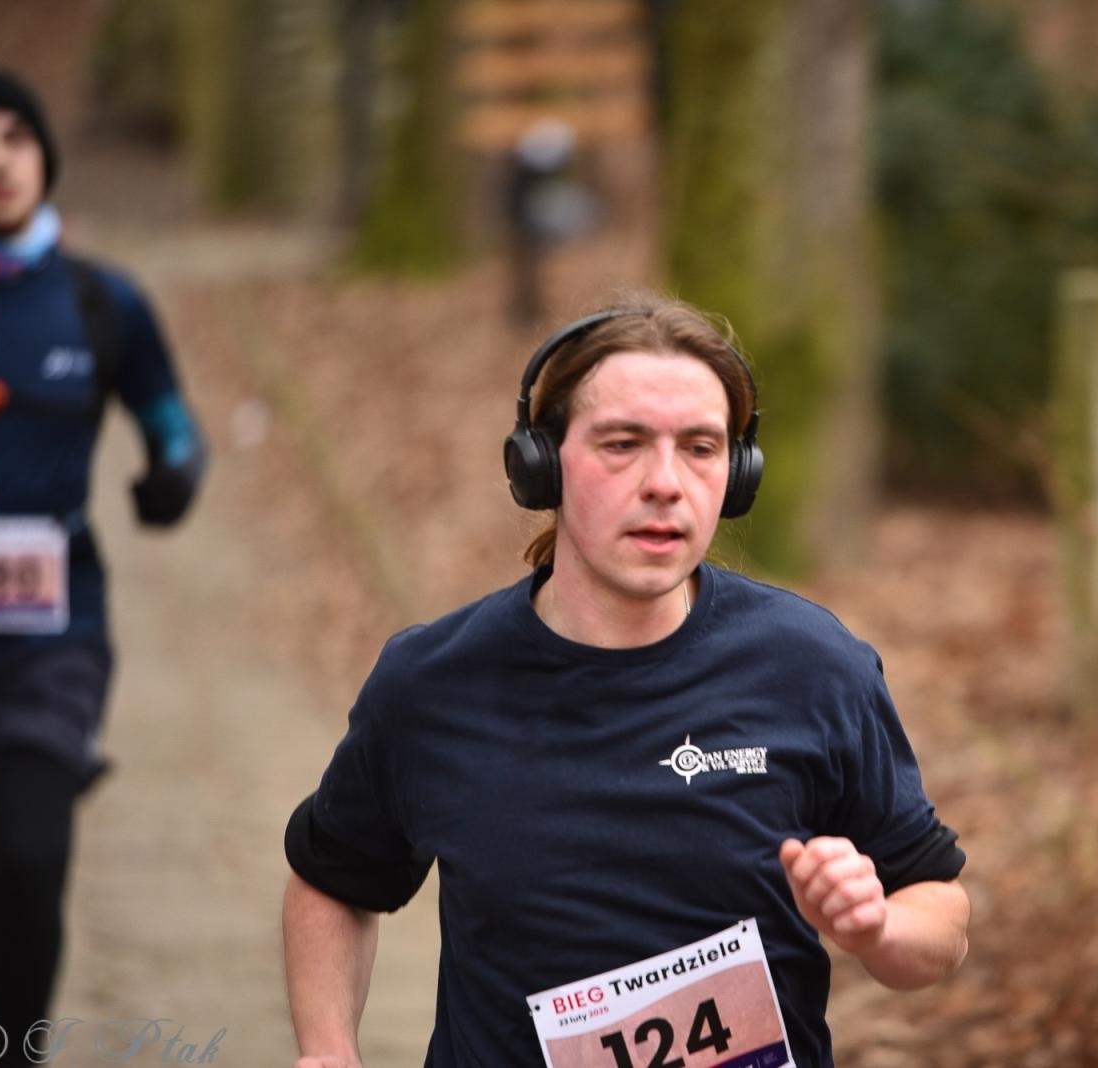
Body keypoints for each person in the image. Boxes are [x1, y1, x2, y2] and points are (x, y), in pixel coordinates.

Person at [282, 298, 968, 1068]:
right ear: (541, 464)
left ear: (737, 475)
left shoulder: (812, 667)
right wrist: (328, 1049)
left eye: (701, 448)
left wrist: (879, 927)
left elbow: (938, 915)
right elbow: (333, 880)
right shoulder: (432, 684)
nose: (666, 483)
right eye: (623, 443)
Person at [0, 67, 206, 1065]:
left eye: (17, 136)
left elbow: (171, 426)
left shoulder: (104, 303)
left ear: (45, 158)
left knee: (27, 854)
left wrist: (174, 477)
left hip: (52, 638)